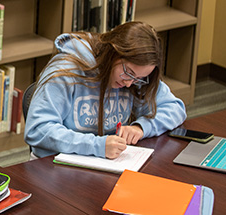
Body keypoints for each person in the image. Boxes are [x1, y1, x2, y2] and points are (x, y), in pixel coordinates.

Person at [24, 21, 187, 160]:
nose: (130, 83)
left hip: (102, 164)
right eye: (128, 73)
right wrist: (97, 146)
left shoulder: (135, 77)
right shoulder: (66, 70)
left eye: (138, 78)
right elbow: (38, 129)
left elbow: (175, 108)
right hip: (55, 165)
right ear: (113, 53)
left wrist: (142, 127)